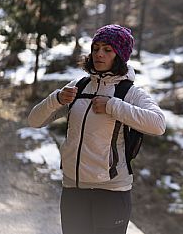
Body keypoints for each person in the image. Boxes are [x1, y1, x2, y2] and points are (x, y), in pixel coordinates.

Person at [28, 24, 166, 234]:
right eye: (96, 48)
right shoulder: (79, 87)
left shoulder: (128, 92)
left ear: (119, 55)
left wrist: (112, 105)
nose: (99, 54)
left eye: (107, 50)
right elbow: (34, 121)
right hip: (73, 188)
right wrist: (56, 99)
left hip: (111, 192)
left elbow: (158, 124)